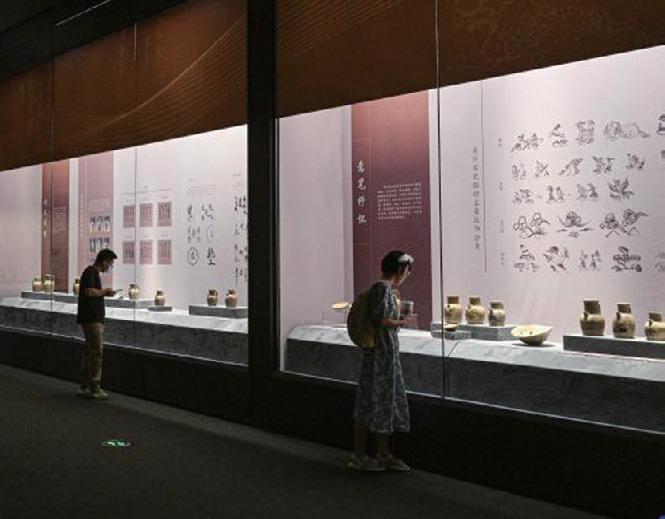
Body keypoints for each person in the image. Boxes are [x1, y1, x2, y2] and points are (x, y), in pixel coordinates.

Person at [349, 250, 414, 472]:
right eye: (407, 270)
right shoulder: (383, 288)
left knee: (379, 402)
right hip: (380, 354)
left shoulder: (383, 288)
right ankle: (362, 455)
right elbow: (381, 319)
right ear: (400, 269)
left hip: (382, 354)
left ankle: (382, 454)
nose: (407, 275)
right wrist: (401, 322)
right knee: (373, 402)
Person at [76, 248, 118, 400]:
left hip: (90, 318)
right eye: (110, 264)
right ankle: (95, 387)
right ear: (104, 261)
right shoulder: (91, 272)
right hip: (92, 319)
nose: (110, 267)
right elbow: (89, 292)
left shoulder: (91, 273)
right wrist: (105, 292)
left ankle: (84, 386)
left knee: (90, 352)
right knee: (96, 353)